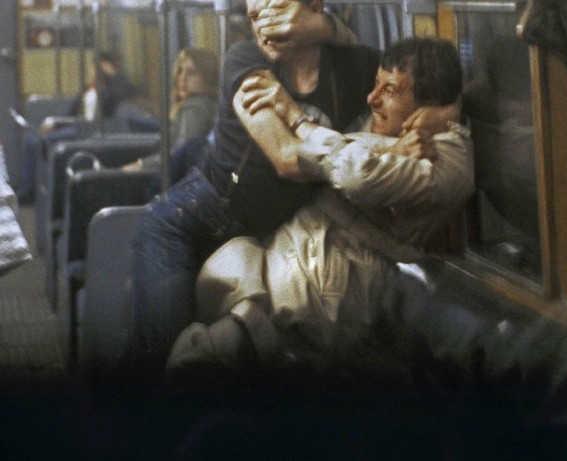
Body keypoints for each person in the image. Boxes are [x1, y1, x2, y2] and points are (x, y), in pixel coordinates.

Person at [129, 0, 457, 378]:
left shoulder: (354, 66)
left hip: (260, 236)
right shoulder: (246, 60)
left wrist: (443, 114)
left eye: (274, 7)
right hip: (187, 223)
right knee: (168, 357)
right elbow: (286, 158)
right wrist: (389, 150)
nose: (262, 23)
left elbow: (427, 90)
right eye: (254, 15)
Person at [16, 51, 139, 204]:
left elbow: (125, 90)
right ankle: (27, 188)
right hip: (76, 126)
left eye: (97, 67)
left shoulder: (110, 91)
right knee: (31, 139)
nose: (93, 71)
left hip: (89, 131)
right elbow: (72, 114)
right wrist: (56, 124)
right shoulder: (87, 89)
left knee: (42, 142)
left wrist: (111, 72)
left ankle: (30, 191)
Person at [124, 47, 219, 172]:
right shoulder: (209, 103)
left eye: (191, 72)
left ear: (207, 77)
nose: (182, 78)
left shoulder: (196, 107)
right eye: (180, 71)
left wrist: (141, 165)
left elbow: (181, 156)